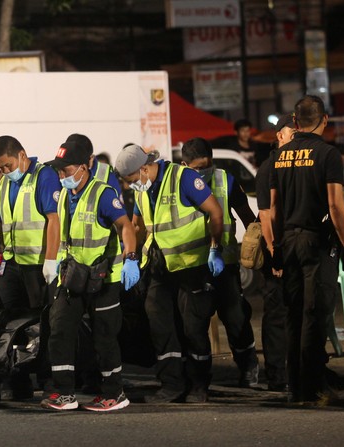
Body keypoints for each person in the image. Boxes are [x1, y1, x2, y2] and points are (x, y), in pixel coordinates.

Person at [115, 144, 225, 404]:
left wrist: (215, 248)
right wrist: (129, 258)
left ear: (144, 168)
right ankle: (171, 385)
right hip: (158, 267)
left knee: (193, 328)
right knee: (160, 327)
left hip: (191, 266)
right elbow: (138, 225)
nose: (131, 187)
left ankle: (199, 385)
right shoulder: (142, 190)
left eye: (132, 181)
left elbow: (215, 211)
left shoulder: (183, 177)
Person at [40, 137, 139, 411]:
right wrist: (52, 262)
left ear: (85, 167)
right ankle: (64, 393)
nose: (62, 175)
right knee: (59, 329)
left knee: (104, 336)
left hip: (104, 278)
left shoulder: (103, 194)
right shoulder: (63, 196)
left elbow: (126, 227)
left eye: (67, 169)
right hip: (72, 276)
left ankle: (114, 393)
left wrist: (130, 258)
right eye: (59, 170)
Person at [270, 95, 344, 403]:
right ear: (325, 120)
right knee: (315, 314)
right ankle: (312, 386)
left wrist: (277, 246)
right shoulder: (328, 154)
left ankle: (294, 385)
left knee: (293, 314)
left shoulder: (281, 156)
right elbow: (335, 204)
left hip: (289, 240)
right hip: (317, 242)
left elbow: (274, 206)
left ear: (295, 123)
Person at [0, 135, 61, 402]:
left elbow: (54, 219)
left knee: (43, 326)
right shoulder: (5, 184)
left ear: (21, 155)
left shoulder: (44, 176)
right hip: (12, 265)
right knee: (12, 326)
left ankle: (49, 381)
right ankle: (19, 382)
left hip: (38, 267)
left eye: (7, 165)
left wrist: (51, 259)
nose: (4, 171)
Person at [181, 137, 260, 389]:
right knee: (195, 326)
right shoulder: (177, 184)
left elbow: (247, 216)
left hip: (224, 265)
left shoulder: (226, 180)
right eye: (197, 167)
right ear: (184, 164)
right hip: (193, 266)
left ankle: (248, 368)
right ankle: (200, 378)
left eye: (206, 165)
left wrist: (255, 244)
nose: (203, 171)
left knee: (236, 319)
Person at [253, 114, 295, 391]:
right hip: (276, 250)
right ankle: (277, 373)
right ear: (280, 135)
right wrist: (273, 252)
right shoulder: (269, 168)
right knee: (277, 312)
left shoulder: (297, 164)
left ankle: (301, 368)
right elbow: (266, 214)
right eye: (295, 133)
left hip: (295, 247)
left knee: (299, 311)